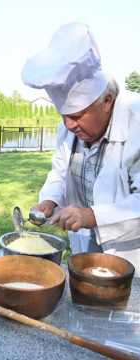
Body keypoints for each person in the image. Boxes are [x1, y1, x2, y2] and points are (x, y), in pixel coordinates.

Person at [22, 22, 140, 276]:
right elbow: (59, 173)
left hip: (132, 256)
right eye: (63, 114)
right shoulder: (68, 127)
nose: (68, 124)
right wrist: (49, 200)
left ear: (107, 100)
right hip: (85, 251)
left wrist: (91, 216)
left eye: (76, 115)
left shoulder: (136, 123)